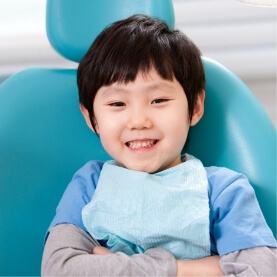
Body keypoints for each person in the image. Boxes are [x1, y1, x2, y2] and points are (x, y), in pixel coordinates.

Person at [41, 15, 277, 276]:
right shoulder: (89, 185)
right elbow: (59, 269)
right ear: (91, 118)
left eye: (159, 100)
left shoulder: (224, 191)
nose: (139, 121)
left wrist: (110, 263)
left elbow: (260, 271)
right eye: (117, 104)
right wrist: (186, 269)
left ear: (195, 106)